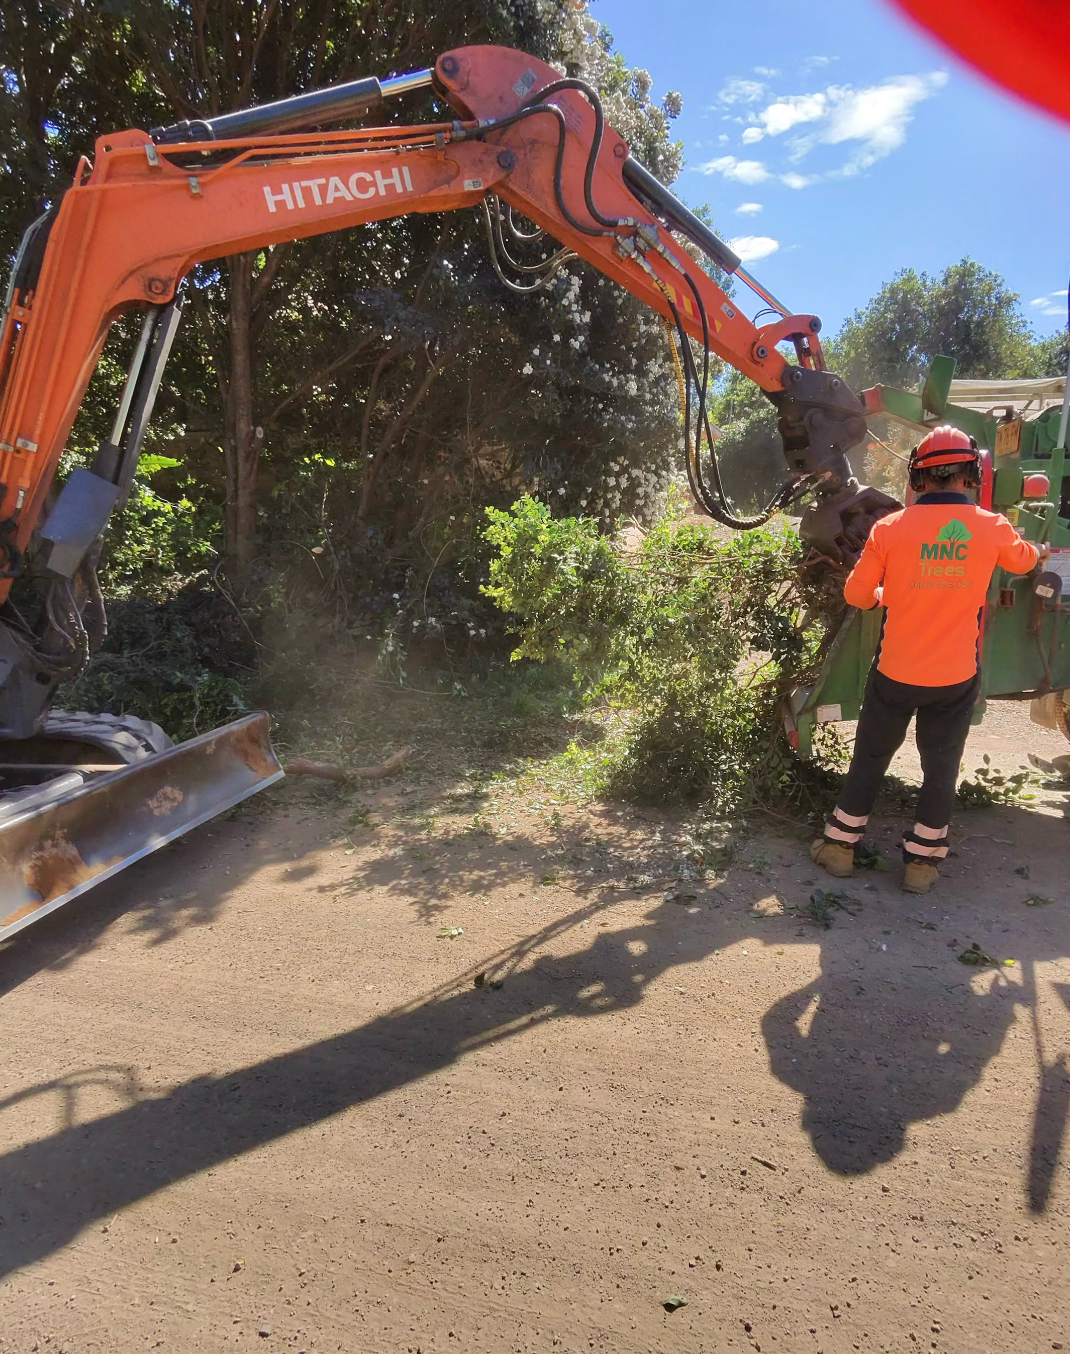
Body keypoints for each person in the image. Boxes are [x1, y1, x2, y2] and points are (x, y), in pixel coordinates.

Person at [811, 425, 1047, 894]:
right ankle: (921, 864)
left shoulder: (891, 528)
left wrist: (885, 593)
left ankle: (839, 848)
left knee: (872, 755)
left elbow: (857, 595)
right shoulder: (991, 526)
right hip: (954, 675)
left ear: (918, 479)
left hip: (896, 669)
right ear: (971, 476)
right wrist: (1037, 548)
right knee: (941, 766)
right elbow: (1023, 562)